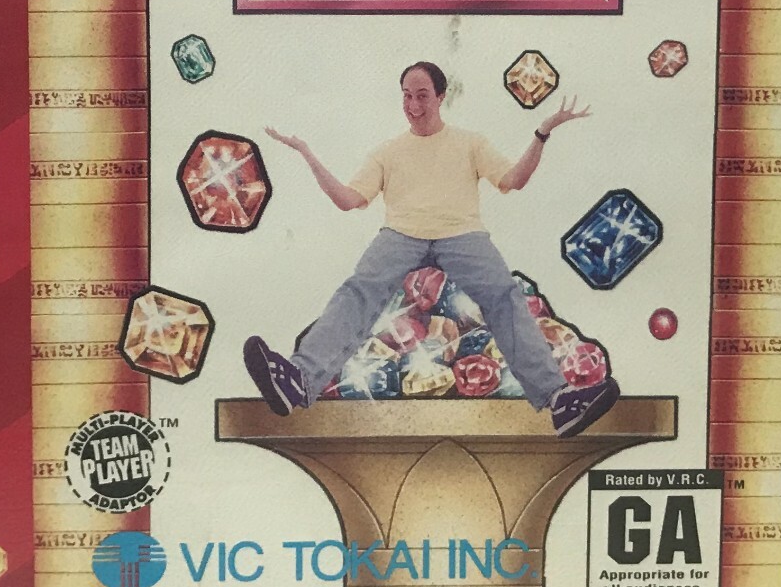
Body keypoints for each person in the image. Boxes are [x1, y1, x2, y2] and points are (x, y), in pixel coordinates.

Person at [243, 61, 621, 438]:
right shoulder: (388, 152)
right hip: (401, 235)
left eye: (422, 96)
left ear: (441, 97)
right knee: (358, 290)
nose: (413, 106)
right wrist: (307, 153)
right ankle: (297, 380)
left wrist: (542, 132)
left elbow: (515, 180)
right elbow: (347, 199)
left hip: (462, 235)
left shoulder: (470, 143)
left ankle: (559, 400)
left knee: (505, 296)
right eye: (407, 96)